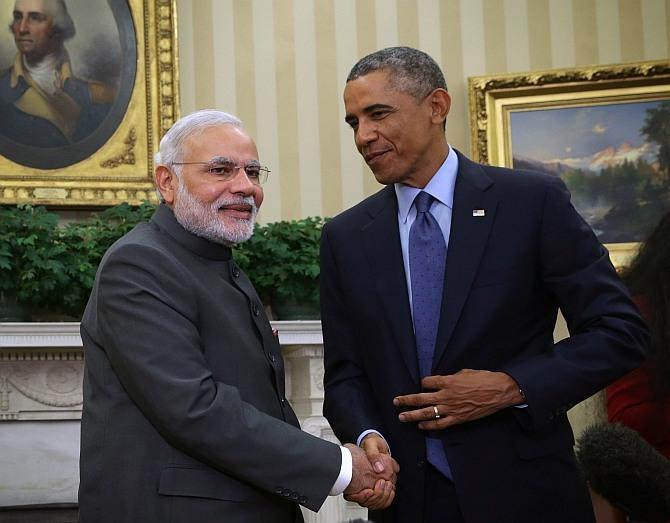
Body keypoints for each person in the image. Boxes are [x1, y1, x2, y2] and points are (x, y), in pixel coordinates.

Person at [320, 46, 649, 523]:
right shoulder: (346, 238)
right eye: (353, 122)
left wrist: (513, 386)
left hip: (528, 495)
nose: (364, 136)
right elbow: (345, 374)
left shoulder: (531, 203)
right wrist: (372, 437)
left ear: (436, 106)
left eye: (377, 114)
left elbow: (621, 332)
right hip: (409, 502)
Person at [78, 109, 398, 522]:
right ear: (166, 182)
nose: (245, 187)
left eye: (252, 171)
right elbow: (195, 408)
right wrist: (339, 469)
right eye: (221, 170)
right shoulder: (140, 263)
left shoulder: (213, 259)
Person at [0, 0, 116, 147]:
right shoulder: (3, 89)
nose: (22, 28)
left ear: (57, 27)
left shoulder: (101, 95)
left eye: (35, 18)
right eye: (18, 17)